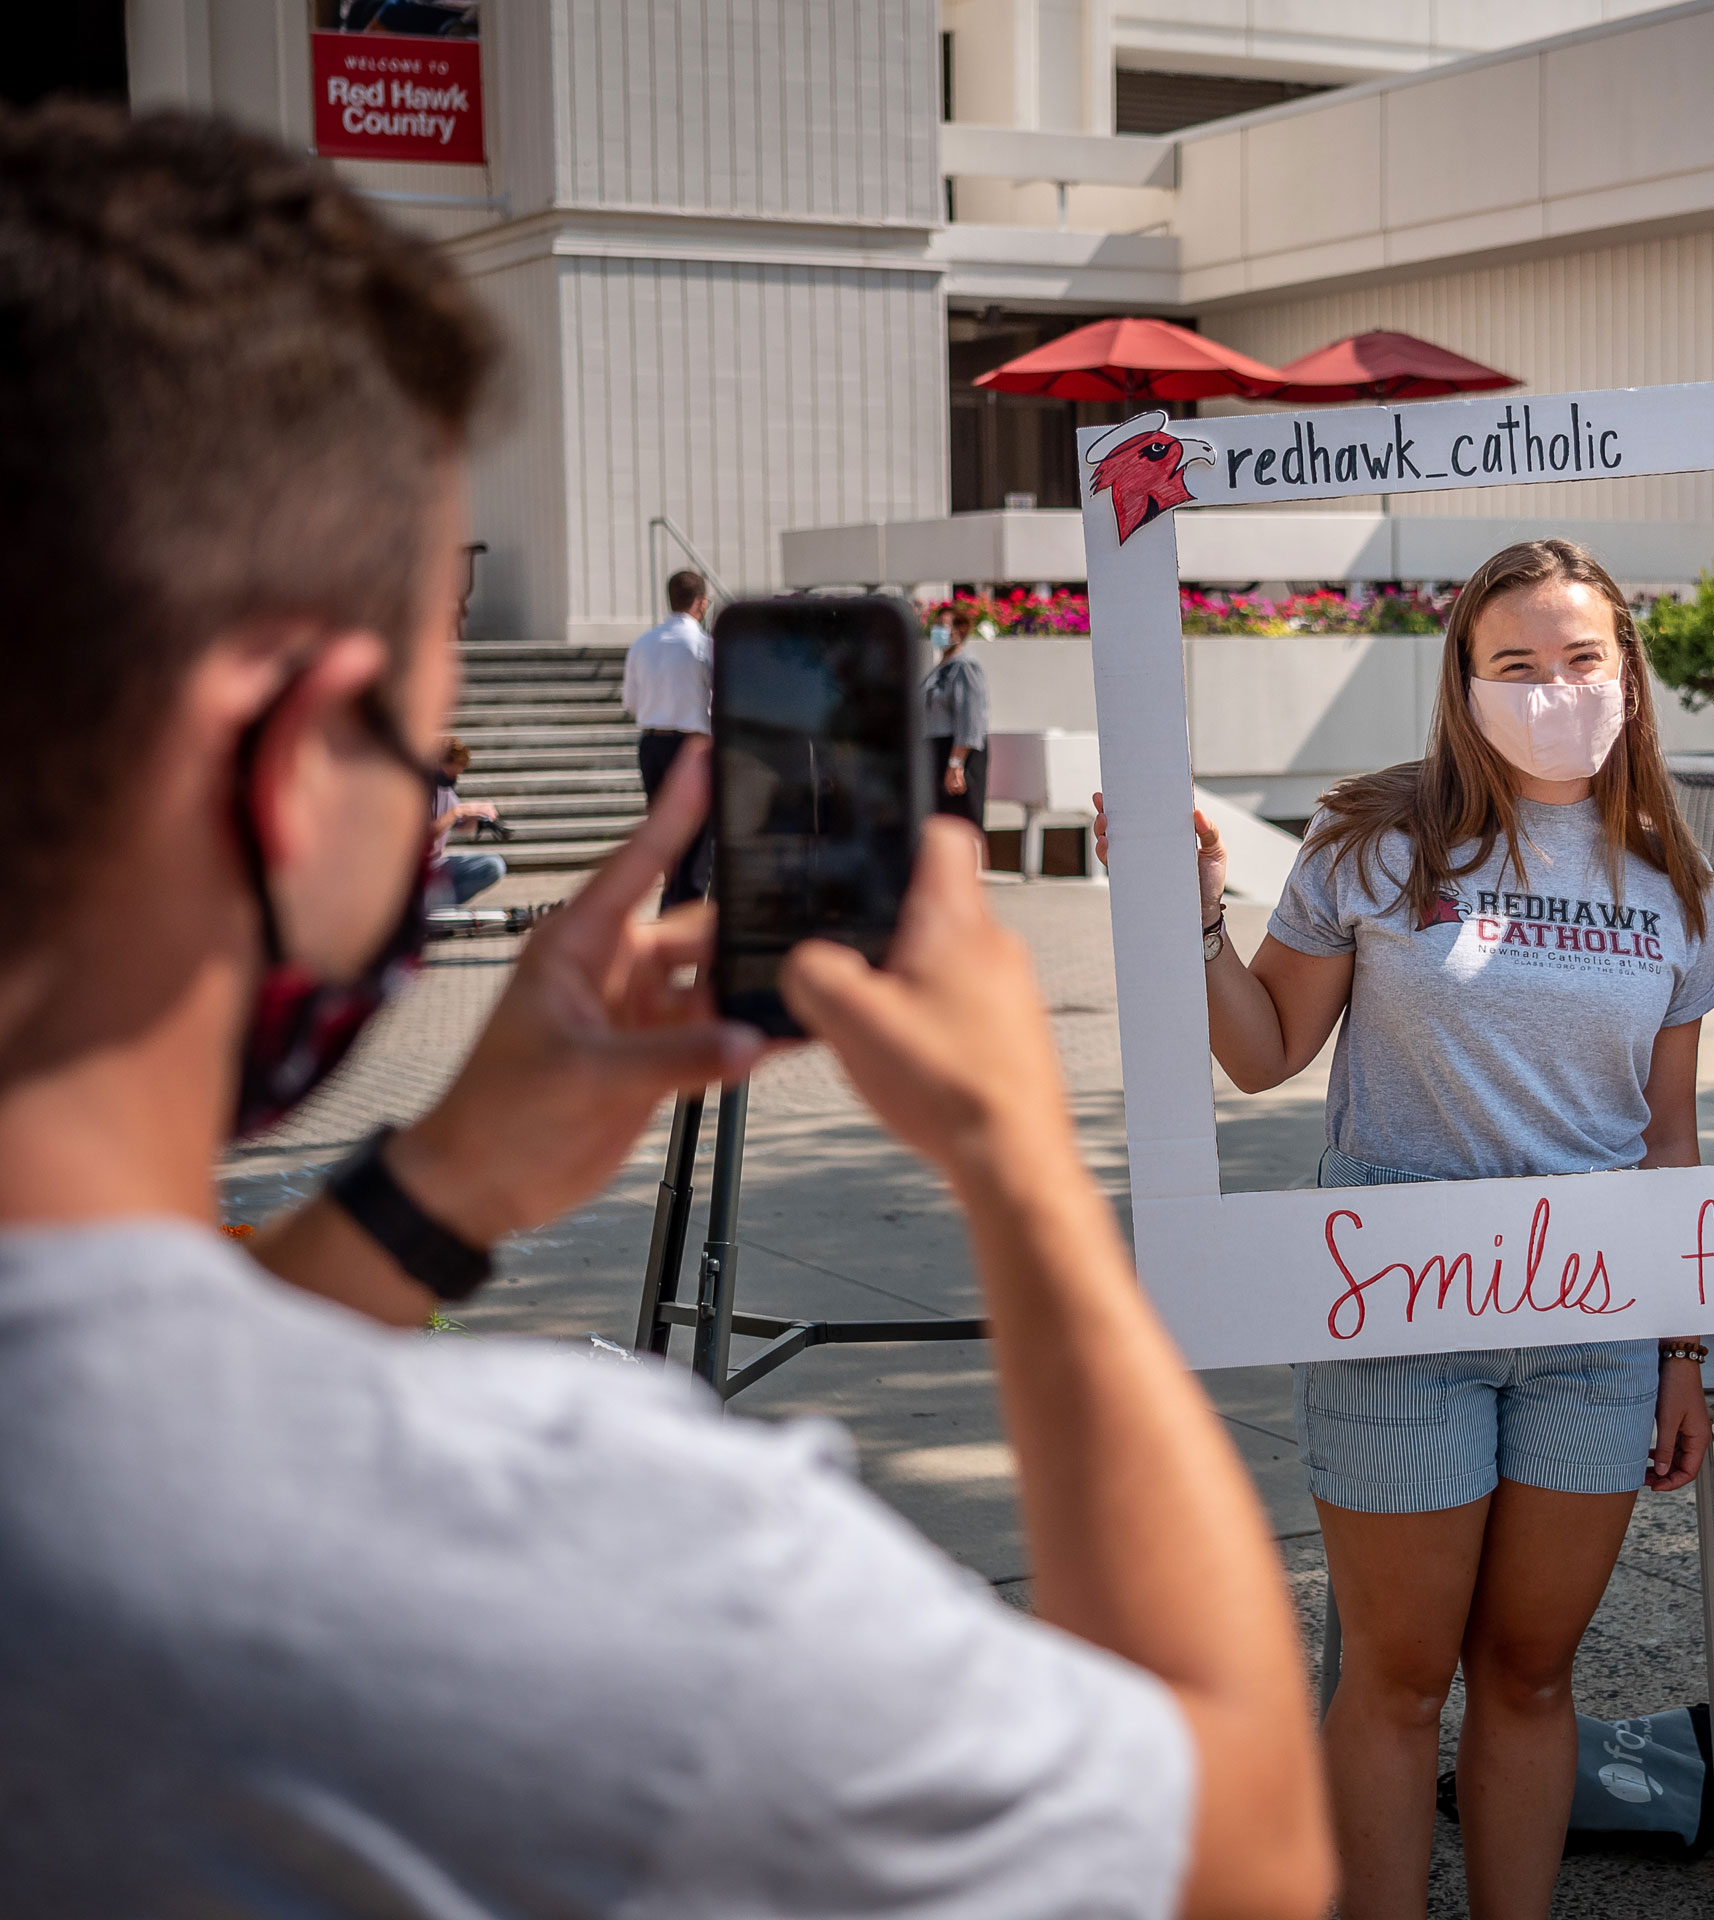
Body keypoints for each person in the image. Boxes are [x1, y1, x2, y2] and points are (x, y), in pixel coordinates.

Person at [0, 103, 1330, 1919]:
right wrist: (1024, 1167)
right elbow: (1240, 1839)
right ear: (300, 767)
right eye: (431, 706)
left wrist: (430, 1192)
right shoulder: (579, 1552)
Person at [1097, 539, 1714, 1920]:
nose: (1552, 687)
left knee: (1533, 1674)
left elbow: (1669, 1139)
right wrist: (1188, 913)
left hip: (1596, 1327)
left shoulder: (1675, 878)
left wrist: (1684, 1348)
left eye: (1580, 659)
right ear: (1465, 682)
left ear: (1628, 674)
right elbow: (1261, 1053)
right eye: (1516, 664)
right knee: (1394, 1679)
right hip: (1396, 1310)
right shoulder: (1377, 843)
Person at [623, 569, 715, 907]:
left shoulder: (642, 643)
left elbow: (631, 703)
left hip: (651, 745)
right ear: (701, 603)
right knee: (696, 838)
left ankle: (670, 905)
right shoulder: (703, 646)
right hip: (690, 744)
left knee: (666, 836)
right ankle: (681, 915)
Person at [922, 613, 990, 831]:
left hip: (956, 752)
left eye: (942, 626)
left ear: (959, 630)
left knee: (961, 821)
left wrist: (955, 763)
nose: (937, 632)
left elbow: (970, 717)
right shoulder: (942, 667)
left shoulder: (964, 666)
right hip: (936, 749)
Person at [429, 735, 507, 906]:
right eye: (451, 773)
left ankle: (442, 909)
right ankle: (435, 910)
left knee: (493, 865)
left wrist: (479, 820)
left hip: (436, 865)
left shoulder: (446, 792)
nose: (454, 778)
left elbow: (458, 825)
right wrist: (460, 811)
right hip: (409, 876)